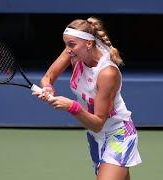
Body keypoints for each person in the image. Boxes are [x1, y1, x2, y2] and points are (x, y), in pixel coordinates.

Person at [32, 16, 142, 180]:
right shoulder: (75, 51)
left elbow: (98, 123)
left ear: (89, 44)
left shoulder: (107, 73)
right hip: (94, 136)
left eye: (71, 45)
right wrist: (47, 87)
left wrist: (72, 106)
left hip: (118, 134)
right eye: (66, 44)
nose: (68, 49)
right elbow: (49, 76)